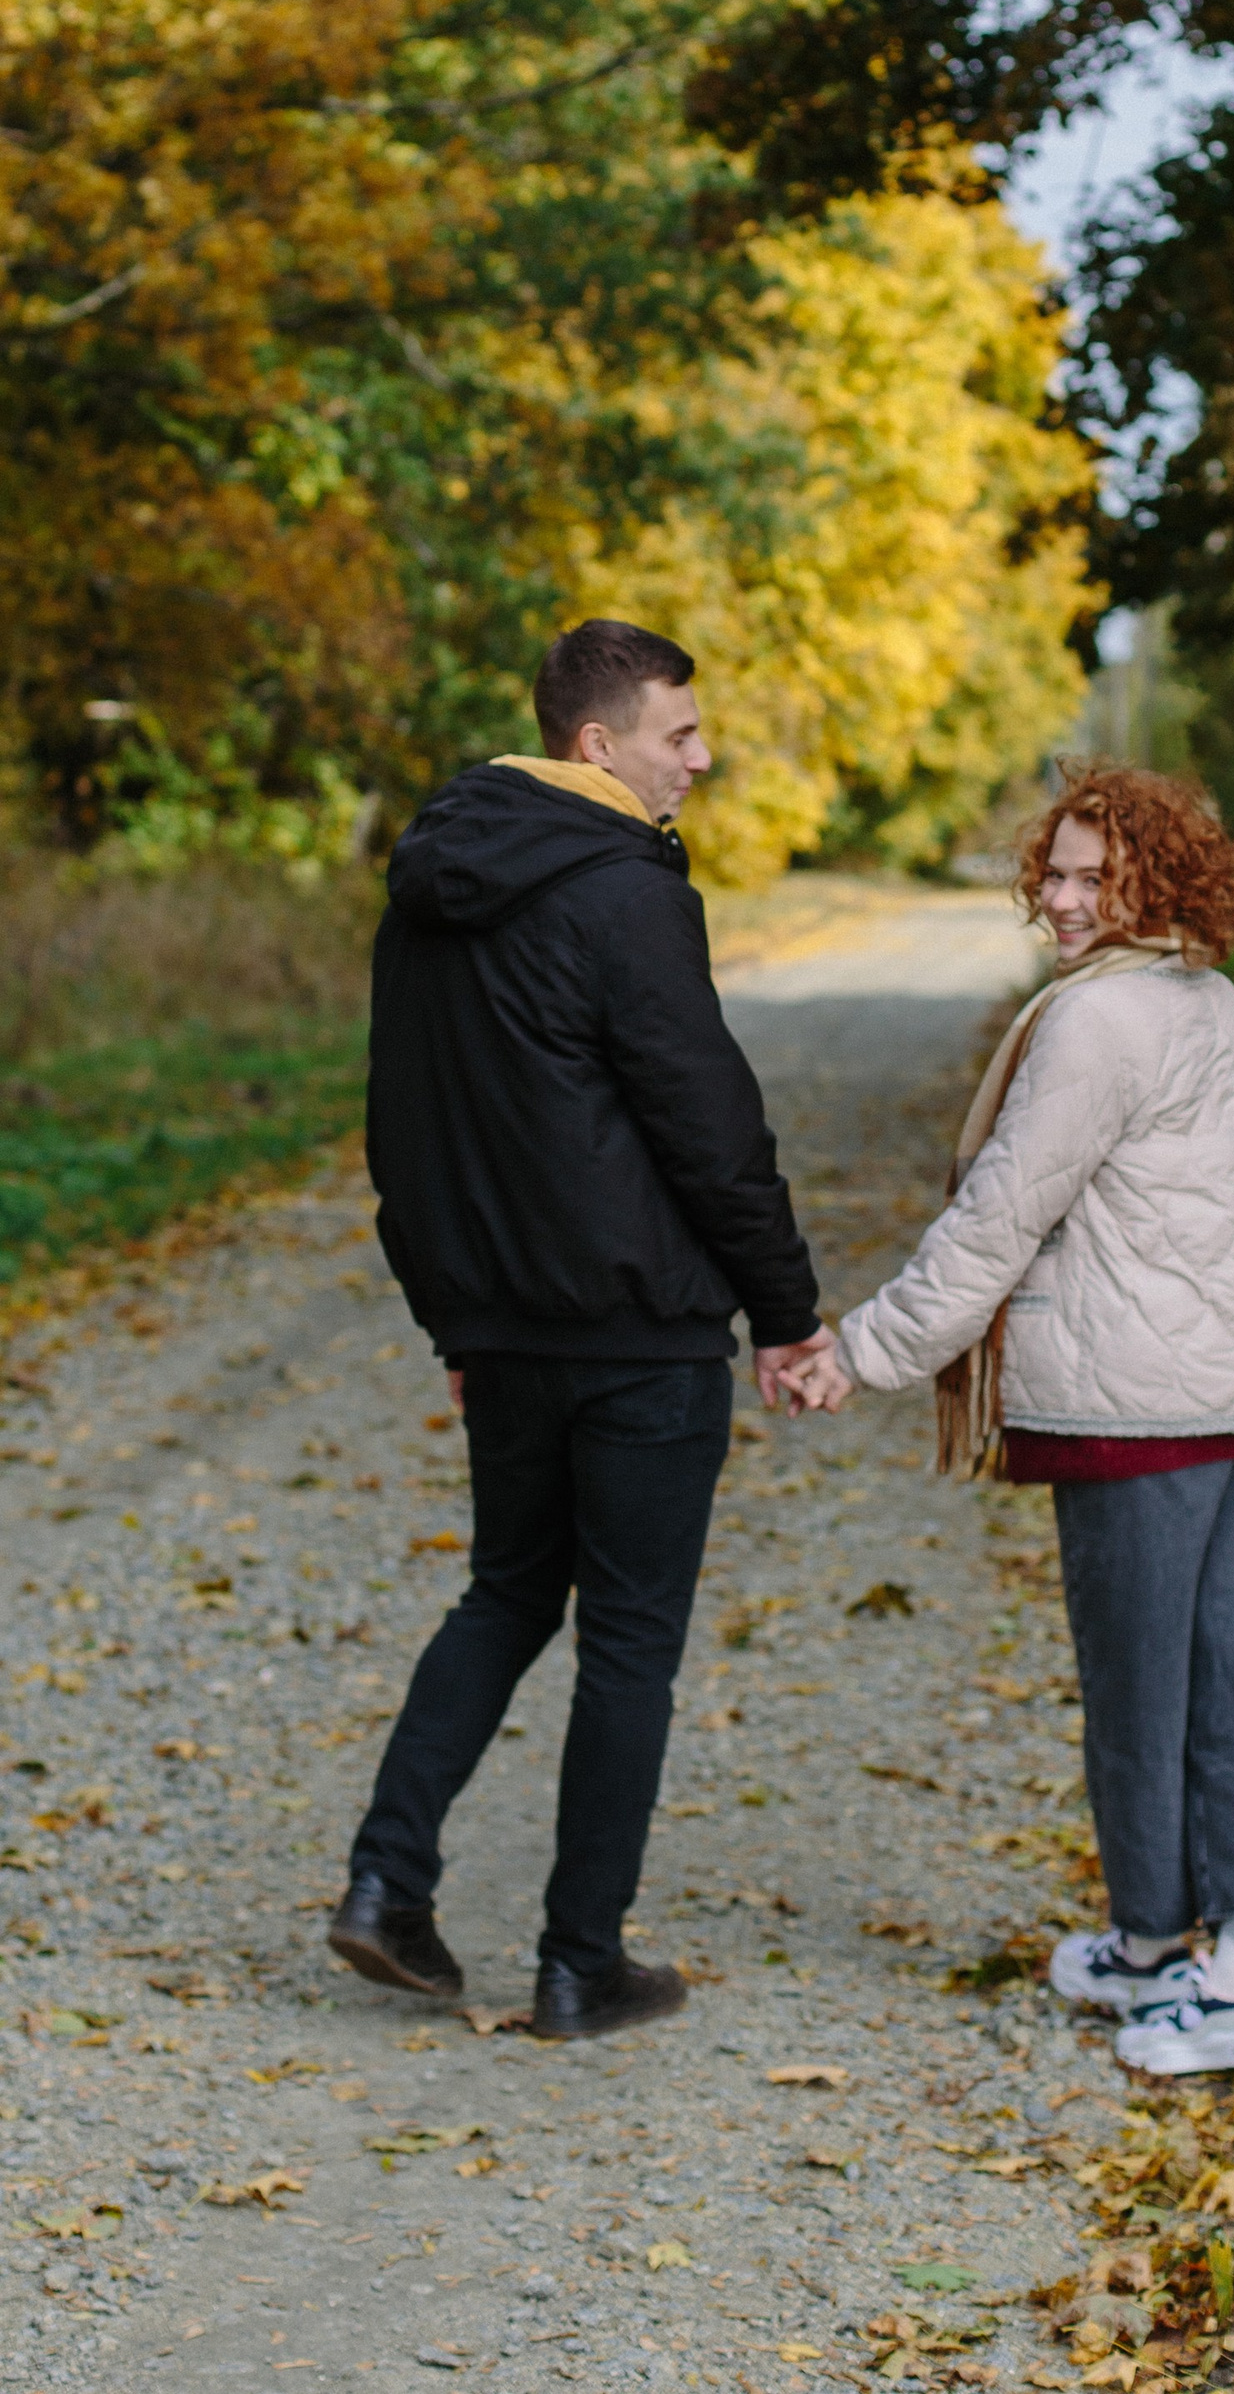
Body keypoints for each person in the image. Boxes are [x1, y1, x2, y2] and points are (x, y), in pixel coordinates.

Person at [775, 763, 1234, 2076]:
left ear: (1161, 881)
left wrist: (857, 1350)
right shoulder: (1225, 1009)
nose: (1065, 895)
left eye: (1099, 874)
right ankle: (1204, 1961)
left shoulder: (1099, 1026)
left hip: (1145, 1412)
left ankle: (1205, 1979)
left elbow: (995, 1222)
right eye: (1057, 870)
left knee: (1147, 1695)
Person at [330, 618, 826, 2041]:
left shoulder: (429, 883)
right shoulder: (625, 887)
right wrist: (785, 1311)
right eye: (682, 732)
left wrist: (454, 1309)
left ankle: (386, 1883)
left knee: (504, 1592)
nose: (704, 754)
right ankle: (578, 1960)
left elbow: (398, 1123)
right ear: (597, 744)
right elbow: (709, 1120)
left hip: (505, 1333)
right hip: (638, 1330)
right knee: (627, 1643)